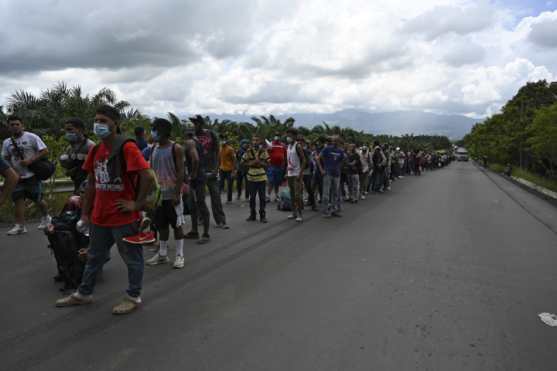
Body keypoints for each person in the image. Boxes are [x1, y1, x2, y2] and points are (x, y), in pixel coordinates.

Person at [55, 104, 156, 315]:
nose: (98, 125)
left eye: (103, 121)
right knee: (94, 256)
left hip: (123, 217)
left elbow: (147, 176)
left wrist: (136, 204)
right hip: (100, 216)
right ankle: (84, 293)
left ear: (115, 123)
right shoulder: (96, 150)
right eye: (97, 120)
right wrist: (85, 212)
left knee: (132, 258)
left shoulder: (127, 147)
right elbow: (91, 183)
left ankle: (133, 296)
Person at [144, 118, 186, 269]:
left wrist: (176, 193)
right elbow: (151, 171)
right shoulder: (154, 148)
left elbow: (181, 171)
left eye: (154, 129)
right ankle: (162, 254)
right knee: (161, 225)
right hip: (158, 196)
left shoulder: (176, 148)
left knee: (177, 225)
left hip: (172, 194)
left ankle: (180, 255)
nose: (152, 132)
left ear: (162, 131)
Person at [2, 115, 51, 234]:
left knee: (37, 199)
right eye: (12, 125)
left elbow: (44, 150)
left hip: (31, 175)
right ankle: (20, 225)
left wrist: (30, 160)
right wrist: (10, 173)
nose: (15, 127)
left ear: (22, 125)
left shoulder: (31, 137)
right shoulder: (7, 142)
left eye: (17, 124)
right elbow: (6, 158)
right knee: (18, 199)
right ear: (8, 127)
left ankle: (46, 217)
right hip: (17, 177)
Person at [190, 115, 228, 229]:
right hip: (198, 171)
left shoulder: (211, 134)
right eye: (193, 123)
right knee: (199, 198)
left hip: (211, 170)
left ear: (201, 124)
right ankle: (201, 218)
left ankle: (221, 221)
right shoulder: (192, 137)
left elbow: (217, 152)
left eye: (196, 123)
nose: (194, 125)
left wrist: (216, 169)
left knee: (215, 196)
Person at [184, 127, 211, 244]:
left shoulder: (190, 142)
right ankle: (194, 231)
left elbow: (195, 159)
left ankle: (206, 234)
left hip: (197, 178)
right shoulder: (197, 142)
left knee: (200, 204)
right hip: (199, 176)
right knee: (192, 205)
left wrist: (193, 174)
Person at [59, 118, 95, 193]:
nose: (67, 133)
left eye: (70, 129)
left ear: (80, 130)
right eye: (66, 130)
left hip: (89, 186)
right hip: (77, 184)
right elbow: (68, 166)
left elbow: (94, 168)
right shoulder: (70, 148)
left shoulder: (90, 146)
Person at [242, 135, 270, 223]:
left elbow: (268, 163)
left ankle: (262, 216)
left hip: (261, 177)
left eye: (257, 140)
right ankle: (252, 215)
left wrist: (260, 163)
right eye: (253, 140)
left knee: (262, 198)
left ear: (260, 141)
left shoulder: (263, 151)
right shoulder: (248, 151)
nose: (255, 142)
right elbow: (242, 163)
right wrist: (253, 163)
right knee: (252, 198)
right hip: (251, 177)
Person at [318, 136, 345, 217]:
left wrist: (338, 167)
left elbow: (342, 160)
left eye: (336, 141)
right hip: (328, 173)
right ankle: (325, 211)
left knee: (336, 193)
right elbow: (318, 158)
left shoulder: (340, 151)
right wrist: (322, 169)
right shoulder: (327, 149)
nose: (334, 142)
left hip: (336, 174)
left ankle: (334, 210)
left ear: (339, 142)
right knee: (326, 193)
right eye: (333, 141)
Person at [285, 128, 306, 222]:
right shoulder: (288, 146)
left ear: (294, 136)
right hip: (290, 173)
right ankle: (294, 213)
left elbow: (304, 160)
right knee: (292, 194)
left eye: (290, 135)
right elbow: (288, 160)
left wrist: (300, 173)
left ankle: (300, 214)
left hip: (297, 173)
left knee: (297, 195)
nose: (288, 137)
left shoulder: (297, 146)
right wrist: (287, 172)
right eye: (287, 135)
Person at [267, 134, 286, 202]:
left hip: (280, 166)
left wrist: (284, 165)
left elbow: (285, 155)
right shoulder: (270, 144)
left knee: (277, 182)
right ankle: (268, 196)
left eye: (278, 135)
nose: (277, 137)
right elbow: (266, 154)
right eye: (276, 135)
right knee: (271, 181)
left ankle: (276, 195)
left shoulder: (283, 145)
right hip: (271, 166)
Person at [218, 136, 236, 204]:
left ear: (226, 140)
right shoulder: (220, 148)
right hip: (222, 169)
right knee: (220, 184)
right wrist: (218, 168)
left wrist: (233, 171)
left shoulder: (230, 149)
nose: (222, 141)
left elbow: (234, 160)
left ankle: (229, 199)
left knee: (229, 185)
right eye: (221, 139)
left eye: (224, 139)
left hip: (229, 169)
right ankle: (217, 199)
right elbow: (219, 159)